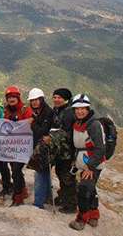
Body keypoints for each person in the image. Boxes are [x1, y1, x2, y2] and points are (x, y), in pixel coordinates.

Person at [0, 86, 32, 205]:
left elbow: (30, 123)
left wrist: (28, 121)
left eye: (14, 97)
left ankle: (18, 197)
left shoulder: (25, 110)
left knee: (16, 170)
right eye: (9, 97)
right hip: (7, 145)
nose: (11, 99)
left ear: (18, 97)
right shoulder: (6, 111)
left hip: (20, 147)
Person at [68, 94, 106, 231]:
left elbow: (100, 148)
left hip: (93, 163)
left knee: (84, 188)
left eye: (83, 108)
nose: (80, 111)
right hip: (83, 162)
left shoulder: (94, 125)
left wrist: (90, 167)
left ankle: (81, 219)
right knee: (91, 188)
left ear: (88, 108)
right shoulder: (78, 123)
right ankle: (94, 215)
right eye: (77, 108)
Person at [50, 88, 77, 213]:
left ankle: (71, 205)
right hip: (60, 150)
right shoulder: (57, 110)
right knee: (60, 173)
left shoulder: (69, 112)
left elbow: (68, 132)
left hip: (68, 151)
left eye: (59, 97)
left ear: (66, 98)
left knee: (67, 177)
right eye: (54, 97)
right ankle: (63, 197)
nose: (56, 99)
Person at [26, 88, 54, 209]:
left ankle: (38, 203)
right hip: (40, 146)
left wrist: (32, 123)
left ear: (41, 99)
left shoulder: (47, 112)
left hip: (44, 147)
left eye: (36, 100)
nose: (34, 102)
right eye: (32, 100)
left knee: (40, 173)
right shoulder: (38, 112)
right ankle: (47, 196)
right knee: (45, 172)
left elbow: (43, 131)